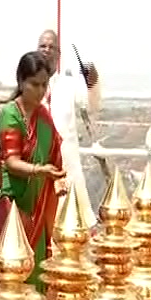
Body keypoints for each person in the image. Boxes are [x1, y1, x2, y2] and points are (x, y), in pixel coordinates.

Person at [0, 51, 67, 291]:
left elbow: (55, 150)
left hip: (34, 204)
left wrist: (54, 178)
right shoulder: (10, 114)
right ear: (21, 82)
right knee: (7, 274)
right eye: (34, 84)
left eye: (44, 85)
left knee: (34, 269)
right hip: (8, 202)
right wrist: (40, 171)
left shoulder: (43, 116)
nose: (40, 91)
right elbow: (12, 162)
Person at [37, 29, 100, 227]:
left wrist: (93, 83)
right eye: (43, 46)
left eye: (52, 47)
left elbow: (91, 107)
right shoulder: (27, 84)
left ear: (59, 55)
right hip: (36, 170)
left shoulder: (68, 85)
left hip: (66, 169)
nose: (47, 50)